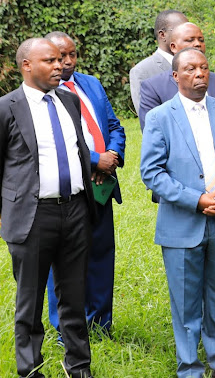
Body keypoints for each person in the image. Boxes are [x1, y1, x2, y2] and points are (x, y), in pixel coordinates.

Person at [140, 48, 215, 378]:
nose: (199, 73)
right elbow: (152, 172)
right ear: (176, 76)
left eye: (204, 67)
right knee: (186, 303)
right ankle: (190, 367)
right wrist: (197, 199)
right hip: (183, 223)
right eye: (190, 69)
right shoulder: (161, 116)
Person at [0, 38, 97, 378]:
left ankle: (79, 366)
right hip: (31, 215)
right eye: (50, 61)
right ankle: (29, 369)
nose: (59, 66)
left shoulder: (69, 101)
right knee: (30, 299)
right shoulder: (6, 107)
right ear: (27, 65)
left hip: (74, 211)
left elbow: (79, 150)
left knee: (74, 294)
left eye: (60, 60)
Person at [43, 32, 126, 337]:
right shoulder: (44, 92)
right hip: (68, 190)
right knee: (64, 261)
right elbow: (52, 141)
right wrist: (93, 160)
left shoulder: (91, 83)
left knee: (102, 255)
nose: (66, 62)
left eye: (72, 55)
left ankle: (101, 324)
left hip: (101, 187)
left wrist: (112, 156)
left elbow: (115, 125)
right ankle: (67, 329)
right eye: (59, 56)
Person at [129, 9, 188, 113]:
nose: (187, 34)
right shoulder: (142, 71)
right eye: (181, 30)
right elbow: (148, 118)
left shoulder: (195, 64)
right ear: (162, 35)